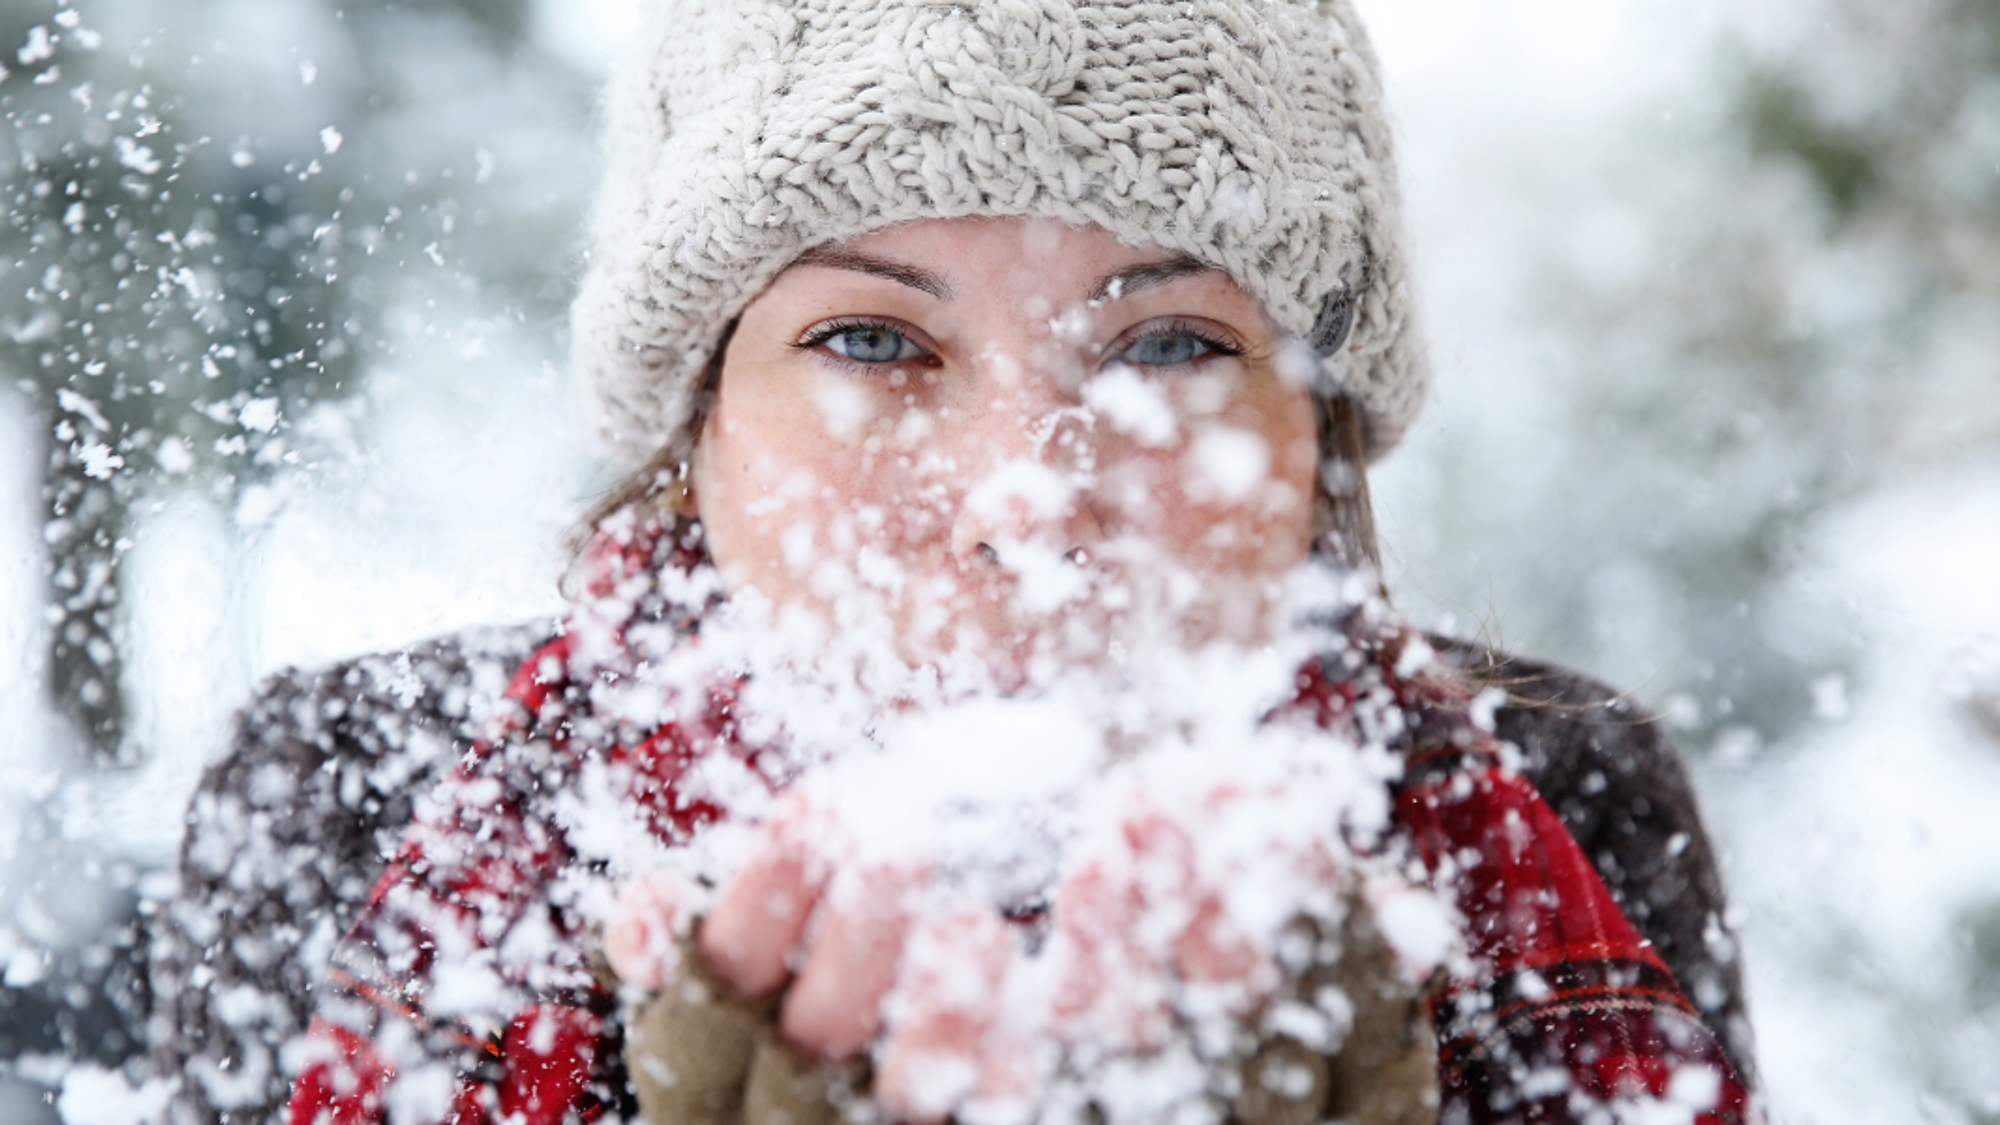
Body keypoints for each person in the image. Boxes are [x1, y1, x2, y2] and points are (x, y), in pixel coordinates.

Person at [147, 2, 1760, 1123]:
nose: (1026, 499)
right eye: (871, 338)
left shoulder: (1564, 805)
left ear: (1315, 441)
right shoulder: (357, 799)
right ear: (698, 422)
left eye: (1170, 345)